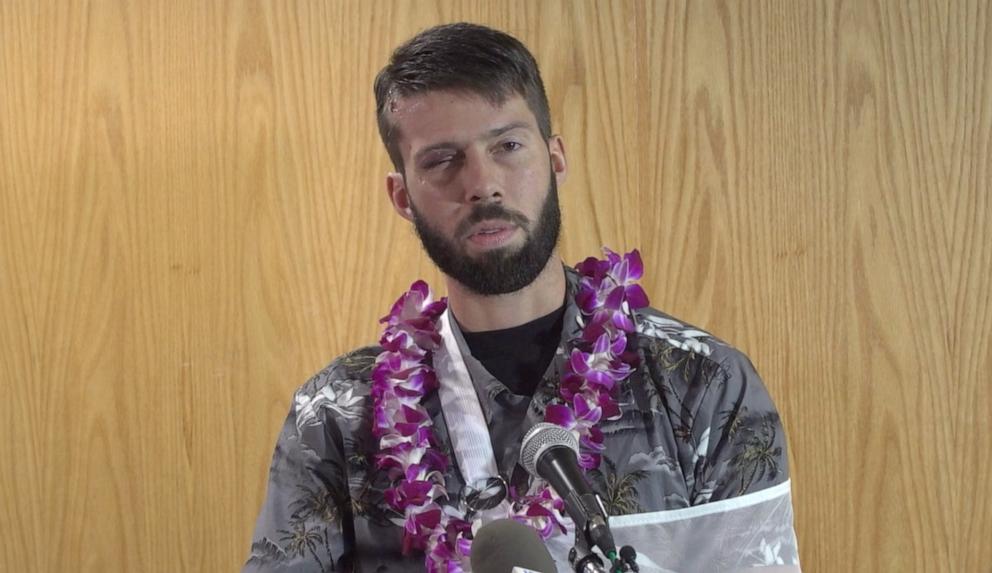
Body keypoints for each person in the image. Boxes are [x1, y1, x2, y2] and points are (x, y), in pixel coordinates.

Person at [244, 23, 800, 573]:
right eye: (442, 160)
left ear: (555, 158)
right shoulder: (336, 415)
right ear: (402, 196)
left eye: (507, 145)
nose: (483, 183)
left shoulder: (703, 385)